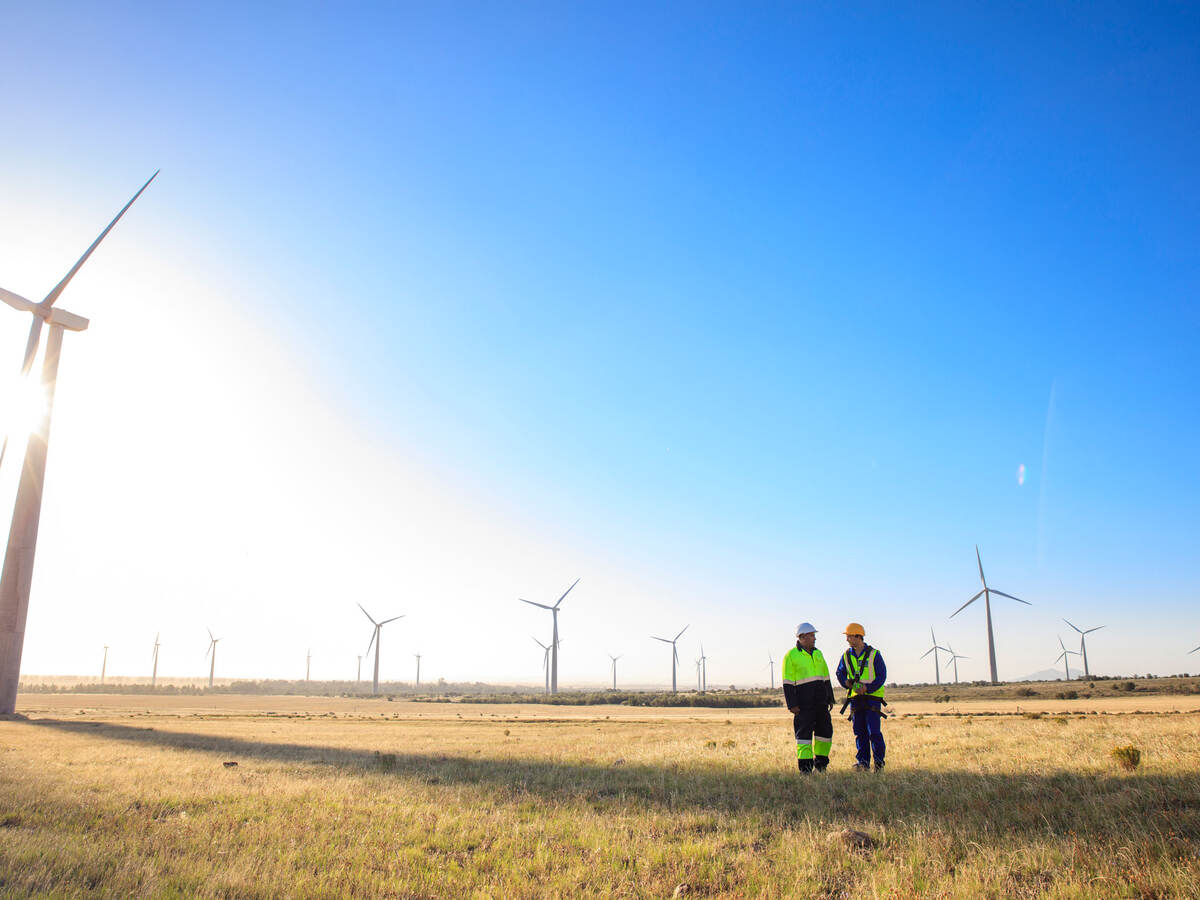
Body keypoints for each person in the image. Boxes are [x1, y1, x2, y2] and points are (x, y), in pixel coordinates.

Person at [781, 622, 835, 773]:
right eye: (811, 635)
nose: (814, 638)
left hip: (820, 703)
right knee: (804, 737)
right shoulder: (791, 656)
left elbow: (826, 677)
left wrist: (830, 698)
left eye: (814, 635)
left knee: (825, 734)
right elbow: (788, 682)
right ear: (802, 637)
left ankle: (821, 765)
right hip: (803, 705)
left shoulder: (818, 653)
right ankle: (805, 769)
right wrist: (792, 704)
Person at [835, 622, 887, 772]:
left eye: (849, 636)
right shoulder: (846, 655)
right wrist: (847, 683)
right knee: (859, 732)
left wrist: (867, 688)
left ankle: (879, 764)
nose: (847, 640)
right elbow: (840, 673)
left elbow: (881, 675)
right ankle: (862, 763)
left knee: (874, 733)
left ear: (858, 636)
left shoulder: (874, 655)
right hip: (855, 700)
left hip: (872, 699)